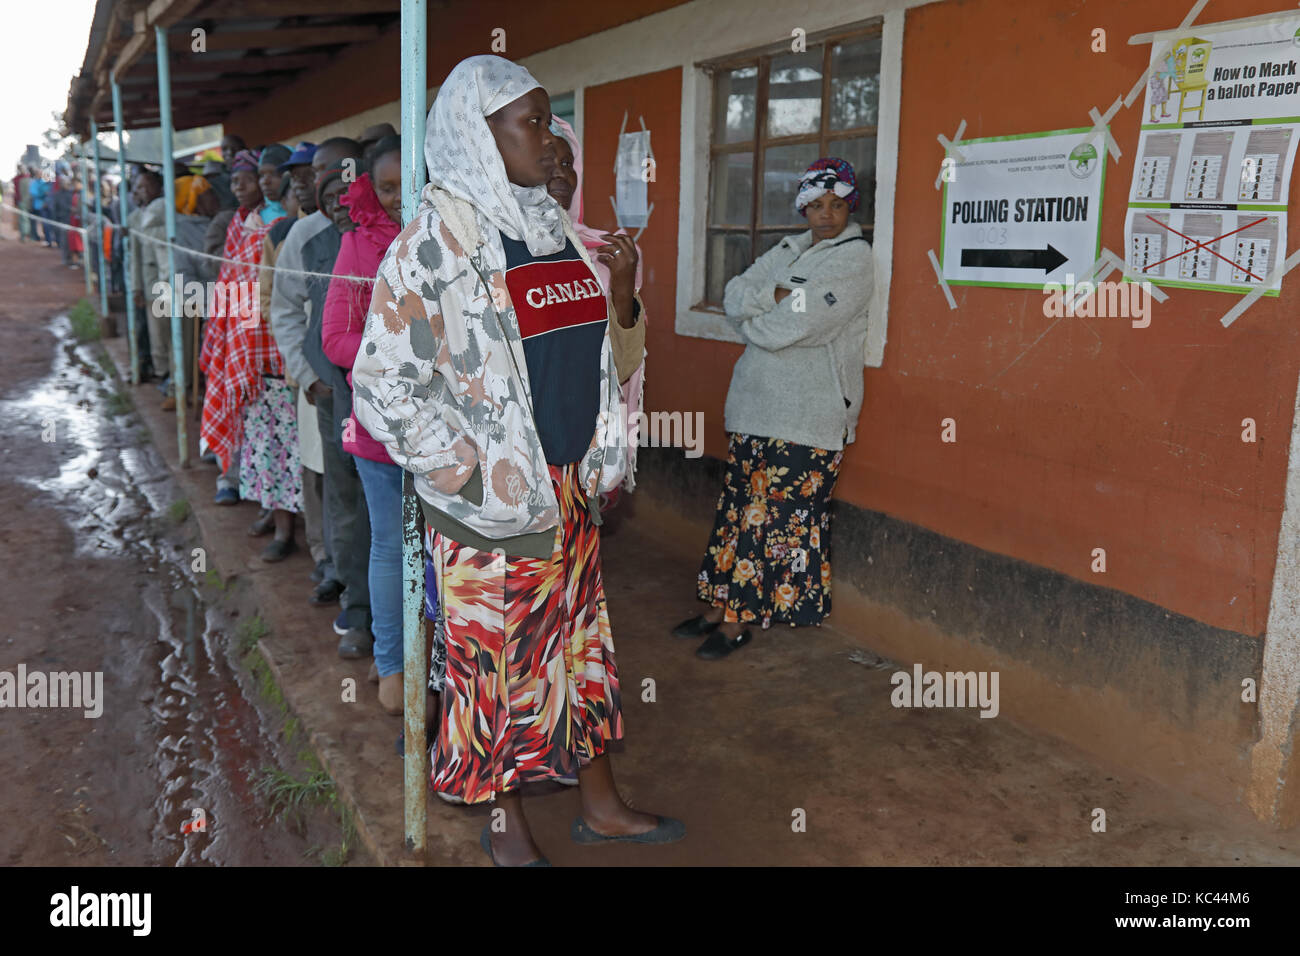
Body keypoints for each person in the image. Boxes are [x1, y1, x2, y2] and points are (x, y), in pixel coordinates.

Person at [352, 55, 681, 866]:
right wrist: (465, 467)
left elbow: (599, 351)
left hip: (567, 488)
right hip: (489, 511)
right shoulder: (434, 246)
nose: (548, 134)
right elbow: (381, 384)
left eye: (545, 118)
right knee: (494, 672)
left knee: (580, 648)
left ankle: (599, 805)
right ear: (478, 130)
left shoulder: (552, 230)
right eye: (530, 122)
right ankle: (506, 831)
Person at [673, 157, 873, 660]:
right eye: (815, 205)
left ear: (851, 205)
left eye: (837, 204)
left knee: (773, 522)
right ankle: (721, 607)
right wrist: (778, 295)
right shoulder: (788, 250)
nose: (826, 214)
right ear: (803, 208)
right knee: (739, 514)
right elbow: (735, 292)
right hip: (753, 409)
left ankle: (740, 622)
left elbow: (795, 324)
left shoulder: (853, 261)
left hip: (807, 417)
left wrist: (764, 316)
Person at [321, 136, 404, 713]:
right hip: (380, 425)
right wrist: (394, 349)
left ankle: (447, 669)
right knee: (390, 545)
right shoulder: (356, 246)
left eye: (410, 183)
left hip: (455, 431)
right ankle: (394, 666)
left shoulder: (460, 237)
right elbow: (334, 338)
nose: (401, 199)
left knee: (448, 552)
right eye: (388, 187)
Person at [200, 148, 300, 561]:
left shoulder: (279, 227)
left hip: (280, 355)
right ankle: (272, 512)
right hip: (251, 353)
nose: (261, 183)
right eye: (257, 176)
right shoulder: (246, 226)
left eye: (269, 175)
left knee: (286, 445)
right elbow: (232, 282)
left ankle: (288, 527)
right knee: (264, 441)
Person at [301, 141, 375, 660]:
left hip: (396, 401)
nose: (337, 199)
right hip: (338, 398)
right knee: (347, 505)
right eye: (327, 191)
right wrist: (314, 375)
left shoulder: (395, 240)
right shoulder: (312, 247)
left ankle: (407, 616)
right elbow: (311, 322)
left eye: (346, 188)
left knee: (393, 510)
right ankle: (359, 607)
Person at [548, 117, 647, 502]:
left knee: (576, 558)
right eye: (548, 163)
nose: (561, 175)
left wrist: (622, 288)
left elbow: (621, 366)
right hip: (520, 452)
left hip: (587, 447)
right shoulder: (492, 251)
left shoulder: (601, 254)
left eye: (568, 164)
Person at [266, 141, 343, 607]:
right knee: (318, 474)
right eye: (308, 174)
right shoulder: (302, 235)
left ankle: (354, 568)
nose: (313, 182)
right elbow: (286, 311)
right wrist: (304, 373)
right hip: (317, 377)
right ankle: (326, 559)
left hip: (363, 382)